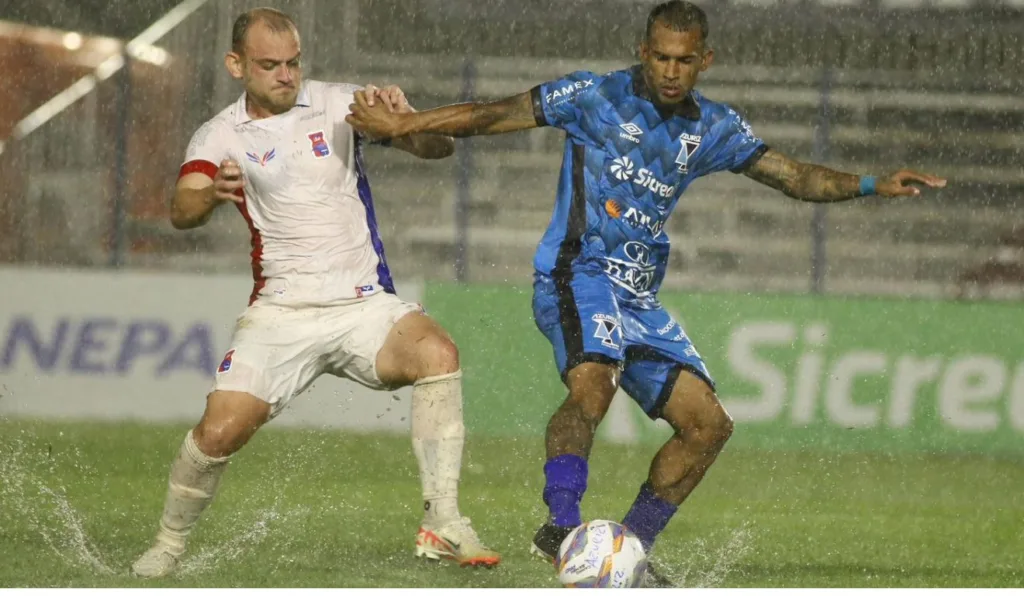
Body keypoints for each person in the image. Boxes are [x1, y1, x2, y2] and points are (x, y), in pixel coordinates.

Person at [346, 0, 946, 586]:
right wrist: (403, 124)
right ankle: (561, 528)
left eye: (684, 60)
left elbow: (795, 177)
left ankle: (626, 553)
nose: (670, 70)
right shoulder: (594, 97)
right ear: (643, 51)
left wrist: (872, 183)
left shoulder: (713, 127)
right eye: (660, 57)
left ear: (705, 61)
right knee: (594, 384)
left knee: (709, 425)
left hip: (639, 299)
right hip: (577, 273)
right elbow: (489, 115)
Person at [130, 7, 501, 578]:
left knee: (438, 354)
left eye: (293, 62)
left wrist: (404, 128)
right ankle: (168, 544)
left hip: (363, 305)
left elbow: (440, 149)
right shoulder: (220, 133)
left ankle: (443, 521)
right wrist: (210, 196)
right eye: (269, 64)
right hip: (280, 312)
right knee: (217, 435)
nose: (286, 75)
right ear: (236, 65)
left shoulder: (341, 103)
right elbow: (182, 208)